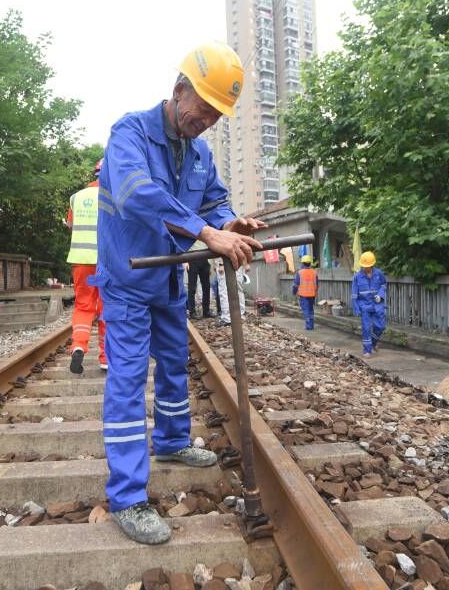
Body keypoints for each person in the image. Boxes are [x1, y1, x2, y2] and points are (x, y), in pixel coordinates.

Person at [94, 42, 266, 544]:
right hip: (127, 280)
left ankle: (170, 441)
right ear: (178, 91)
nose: (208, 120)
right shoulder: (130, 133)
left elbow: (212, 199)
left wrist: (227, 221)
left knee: (173, 364)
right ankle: (127, 496)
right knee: (128, 379)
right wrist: (207, 233)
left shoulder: (199, 152)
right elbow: (135, 193)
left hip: (168, 277)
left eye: (216, 115)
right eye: (204, 108)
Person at [65, 159, 107, 374]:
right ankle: (105, 357)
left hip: (81, 261)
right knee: (105, 306)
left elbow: (71, 225)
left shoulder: (76, 197)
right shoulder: (114, 196)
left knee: (83, 306)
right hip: (105, 264)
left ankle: (78, 345)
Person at [351, 251, 387, 358]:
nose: (366, 268)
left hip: (377, 304)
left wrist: (380, 295)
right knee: (366, 328)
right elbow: (354, 293)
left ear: (372, 264)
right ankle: (367, 350)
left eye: (368, 266)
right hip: (364, 305)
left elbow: (384, 285)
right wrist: (356, 307)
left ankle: (373, 343)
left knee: (381, 326)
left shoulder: (379, 273)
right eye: (364, 266)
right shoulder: (357, 277)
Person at [215, 257, 249, 325]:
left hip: (225, 260)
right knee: (239, 289)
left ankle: (226, 318)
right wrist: (246, 263)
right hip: (238, 260)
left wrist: (221, 264)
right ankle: (240, 315)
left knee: (224, 290)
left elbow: (223, 246)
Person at [292, 254, 318, 330]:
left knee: (306, 310)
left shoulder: (300, 273)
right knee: (311, 309)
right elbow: (317, 284)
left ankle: (309, 326)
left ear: (302, 263)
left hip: (303, 295)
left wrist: (294, 292)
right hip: (312, 295)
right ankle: (311, 325)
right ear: (310, 263)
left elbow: (295, 285)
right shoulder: (314, 272)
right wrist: (315, 292)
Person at [186, 253, 212, 319]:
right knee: (192, 288)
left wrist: (210, 263)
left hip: (205, 258)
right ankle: (192, 312)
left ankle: (206, 311)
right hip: (191, 258)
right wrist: (185, 261)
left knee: (207, 287)